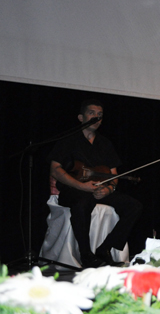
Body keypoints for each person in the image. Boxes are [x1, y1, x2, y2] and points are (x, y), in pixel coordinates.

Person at [48, 99, 142, 268]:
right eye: (92, 113)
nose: (96, 117)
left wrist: (109, 189)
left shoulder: (105, 143)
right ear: (81, 117)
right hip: (73, 190)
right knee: (83, 202)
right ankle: (86, 255)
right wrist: (80, 186)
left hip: (99, 189)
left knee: (133, 206)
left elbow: (114, 174)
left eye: (100, 115)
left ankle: (105, 248)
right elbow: (55, 169)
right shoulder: (68, 139)